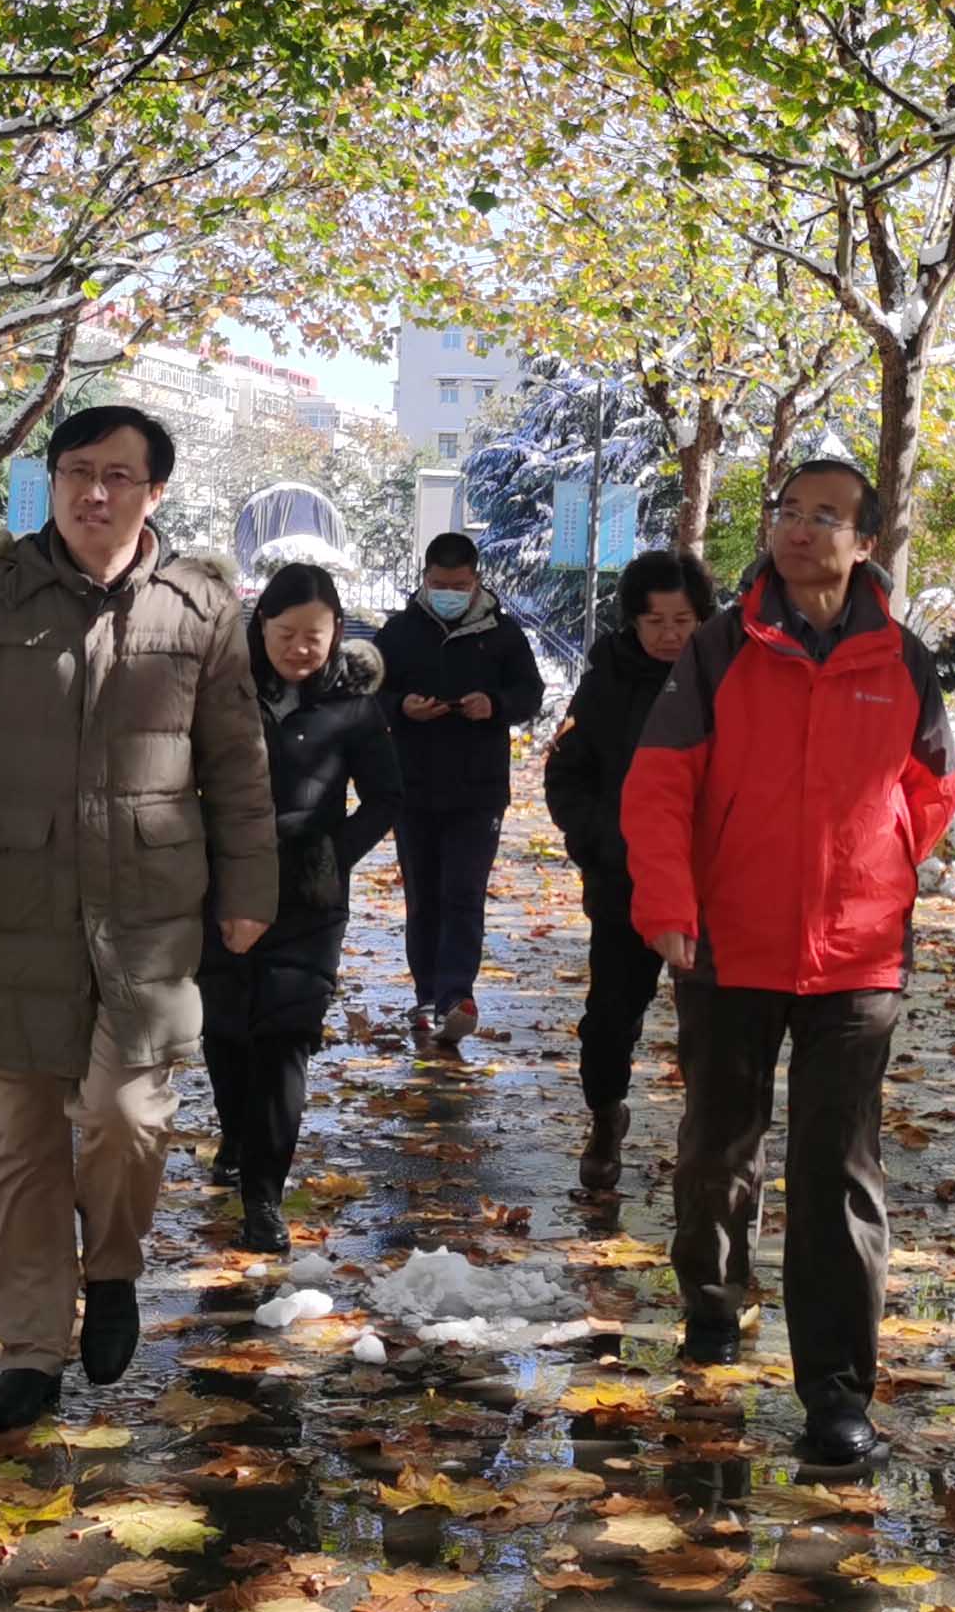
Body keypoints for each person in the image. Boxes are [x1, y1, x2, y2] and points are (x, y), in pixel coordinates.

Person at [0, 403, 274, 1430]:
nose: (95, 493)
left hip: (150, 914)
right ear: (51, 482)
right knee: (18, 1144)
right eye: (77, 472)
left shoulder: (199, 606)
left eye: (118, 476)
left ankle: (117, 1265)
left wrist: (250, 891)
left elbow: (237, 764)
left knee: (126, 1115)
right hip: (16, 905)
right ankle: (31, 1351)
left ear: (154, 492)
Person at [625, 460, 955, 1468]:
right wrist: (670, 902)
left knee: (839, 1173)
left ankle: (836, 1394)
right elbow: (660, 783)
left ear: (866, 543)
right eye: (789, 512)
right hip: (729, 945)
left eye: (826, 516)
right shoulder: (720, 648)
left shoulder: (903, 658)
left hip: (858, 956)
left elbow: (933, 788)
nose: (801, 530)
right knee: (719, 1147)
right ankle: (713, 1298)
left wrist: (878, 864)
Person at [207, 562, 401, 1253]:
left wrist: (332, 853)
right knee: (227, 1029)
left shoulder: (354, 706)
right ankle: (237, 1132)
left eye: (314, 636)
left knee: (286, 1036)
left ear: (337, 632)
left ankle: (263, 1195)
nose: (299, 648)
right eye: (286, 633)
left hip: (309, 899)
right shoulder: (223, 691)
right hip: (223, 883)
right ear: (259, 626)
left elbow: (385, 795)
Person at [541, 547, 719, 1197]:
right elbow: (566, 775)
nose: (670, 635)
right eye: (655, 622)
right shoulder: (605, 683)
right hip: (626, 885)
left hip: (713, 887)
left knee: (716, 1025)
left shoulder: (730, 679)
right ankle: (605, 1114)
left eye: (683, 621)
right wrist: (603, 843)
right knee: (611, 1017)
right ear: (633, 623)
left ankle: (711, 1144)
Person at [375, 531, 545, 1048]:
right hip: (414, 787)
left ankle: (456, 996)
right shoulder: (398, 632)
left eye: (459, 585)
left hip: (478, 791)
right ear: (425, 579)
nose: (449, 592)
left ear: (476, 582)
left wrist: (494, 705)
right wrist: (401, 706)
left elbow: (530, 694)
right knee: (424, 895)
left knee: (464, 893)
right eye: (440, 584)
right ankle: (427, 994)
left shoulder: (503, 634)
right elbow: (368, 693)